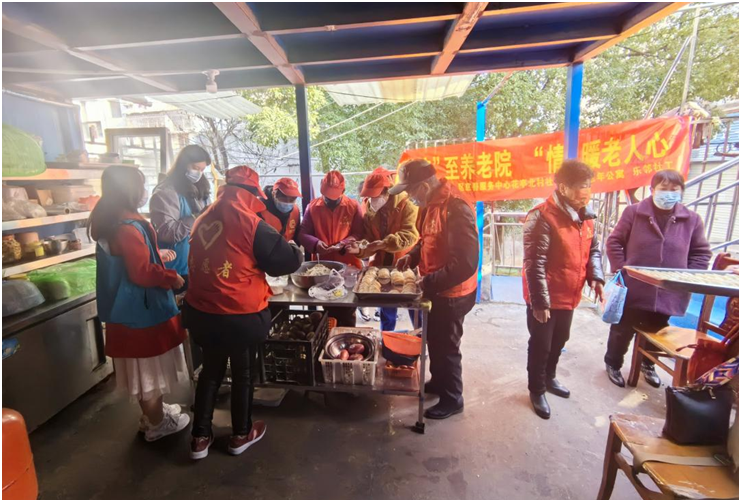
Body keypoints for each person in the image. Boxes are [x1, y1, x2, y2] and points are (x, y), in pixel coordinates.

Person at [184, 165, 303, 460]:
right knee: (243, 373)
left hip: (201, 312)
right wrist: (297, 251)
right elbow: (285, 262)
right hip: (239, 314)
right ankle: (241, 434)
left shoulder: (202, 218)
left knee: (210, 371)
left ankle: (199, 437)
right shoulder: (251, 223)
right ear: (252, 193)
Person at [90, 165, 191, 442]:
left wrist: (157, 254)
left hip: (127, 311)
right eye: (142, 185)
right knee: (148, 371)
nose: (145, 191)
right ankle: (157, 423)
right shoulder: (127, 228)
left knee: (142, 368)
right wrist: (171, 277)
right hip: (141, 312)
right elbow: (141, 273)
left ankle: (152, 414)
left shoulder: (113, 221)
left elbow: (132, 261)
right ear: (130, 190)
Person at [604, 169, 712, 388]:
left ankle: (648, 364)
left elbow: (701, 253)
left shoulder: (691, 220)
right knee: (622, 329)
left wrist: (686, 278)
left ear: (681, 191)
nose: (668, 193)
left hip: (669, 291)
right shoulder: (634, 212)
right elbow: (614, 242)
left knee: (657, 330)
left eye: (674, 189)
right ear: (652, 190)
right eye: (663, 188)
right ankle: (613, 363)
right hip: (634, 286)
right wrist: (623, 269)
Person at [393, 159, 479, 420]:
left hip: (453, 293)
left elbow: (465, 263)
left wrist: (427, 282)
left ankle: (453, 398)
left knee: (447, 347)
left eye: (410, 190)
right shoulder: (430, 205)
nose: (409, 197)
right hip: (436, 288)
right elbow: (427, 240)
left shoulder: (456, 207)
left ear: (424, 185)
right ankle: (440, 382)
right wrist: (412, 257)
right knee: (434, 340)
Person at [523, 160, 605, 420]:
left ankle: (549, 378)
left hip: (569, 295)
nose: (586, 191)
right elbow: (534, 263)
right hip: (545, 296)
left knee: (560, 340)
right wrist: (539, 302)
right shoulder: (542, 216)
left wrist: (596, 277)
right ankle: (536, 389)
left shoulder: (585, 216)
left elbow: (593, 250)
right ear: (562, 187)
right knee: (541, 344)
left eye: (588, 185)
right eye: (580, 186)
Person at [350, 172, 419, 331]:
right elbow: (368, 239)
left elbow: (410, 235)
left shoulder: (407, 204)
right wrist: (360, 249)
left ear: (386, 192)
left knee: (415, 308)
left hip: (405, 261)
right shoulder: (370, 208)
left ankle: (421, 339)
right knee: (387, 310)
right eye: (368, 197)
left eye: (374, 196)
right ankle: (386, 338)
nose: (371, 200)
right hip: (382, 264)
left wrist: (383, 244)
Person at [299, 170, 364, 327]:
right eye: (327, 196)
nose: (331, 200)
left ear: (343, 190)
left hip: (348, 265)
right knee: (328, 308)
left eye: (335, 196)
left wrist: (345, 243)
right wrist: (316, 244)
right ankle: (330, 335)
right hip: (323, 267)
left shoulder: (353, 206)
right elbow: (303, 233)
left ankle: (347, 335)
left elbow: (360, 232)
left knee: (348, 308)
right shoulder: (313, 207)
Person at [150, 145, 212, 292]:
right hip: (176, 267)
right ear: (183, 164)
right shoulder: (166, 192)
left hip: (197, 264)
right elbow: (167, 233)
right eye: (195, 168)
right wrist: (195, 217)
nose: (199, 173)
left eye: (202, 170)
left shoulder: (200, 189)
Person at [261, 177, 302, 242]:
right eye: (284, 198)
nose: (288, 202)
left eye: (292, 200)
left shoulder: (295, 211)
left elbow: (297, 235)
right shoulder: (260, 210)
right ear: (274, 194)